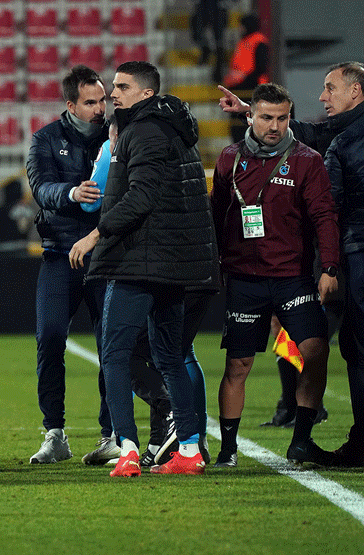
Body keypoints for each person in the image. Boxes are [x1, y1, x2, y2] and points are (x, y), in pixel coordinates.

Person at [69, 61, 218, 477]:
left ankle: (129, 449)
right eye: (113, 85)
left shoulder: (144, 131)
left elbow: (140, 198)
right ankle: (188, 451)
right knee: (171, 356)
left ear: (147, 94)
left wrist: (95, 235)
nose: (113, 93)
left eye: (122, 87)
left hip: (139, 260)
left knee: (115, 355)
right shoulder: (175, 128)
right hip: (175, 263)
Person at [210, 83, 339, 468]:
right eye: (267, 117)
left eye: (282, 118)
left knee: (316, 351)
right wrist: (214, 264)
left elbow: (324, 217)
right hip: (245, 279)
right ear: (249, 116)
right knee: (238, 365)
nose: (276, 125)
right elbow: (217, 216)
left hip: (293, 277)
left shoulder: (307, 160)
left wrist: (329, 267)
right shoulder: (229, 158)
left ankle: (300, 441)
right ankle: (228, 450)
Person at [26, 65, 113, 465]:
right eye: (91, 102)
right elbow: (41, 188)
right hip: (60, 252)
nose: (100, 108)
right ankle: (55, 433)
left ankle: (110, 434)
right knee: (49, 339)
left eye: (103, 100)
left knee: (112, 346)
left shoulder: (120, 134)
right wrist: (72, 192)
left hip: (108, 255)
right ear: (71, 106)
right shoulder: (45, 139)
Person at [324, 62, 364, 467]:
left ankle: (361, 442)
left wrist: (327, 265)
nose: (324, 96)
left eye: (331, 88)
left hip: (359, 255)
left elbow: (329, 209)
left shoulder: (344, 141)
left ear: (355, 91)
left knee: (357, 346)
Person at [223, 14, 269, 143]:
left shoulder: (258, 42)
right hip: (239, 93)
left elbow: (260, 69)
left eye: (241, 25)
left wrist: (242, 81)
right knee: (238, 130)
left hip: (252, 92)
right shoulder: (244, 42)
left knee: (248, 129)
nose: (240, 28)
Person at [190, 0, 228, 82]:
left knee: (219, 41)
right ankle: (206, 50)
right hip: (203, 6)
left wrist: (228, 3)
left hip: (219, 7)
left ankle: (218, 72)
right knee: (197, 31)